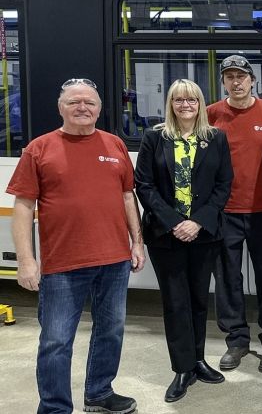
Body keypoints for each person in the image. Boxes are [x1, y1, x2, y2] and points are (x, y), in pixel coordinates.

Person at [8, 78, 146, 414]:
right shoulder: (39, 149)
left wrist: (137, 241)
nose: (82, 108)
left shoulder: (115, 146)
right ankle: (55, 408)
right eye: (74, 102)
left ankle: (99, 394)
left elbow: (128, 196)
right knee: (56, 342)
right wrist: (26, 261)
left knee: (110, 331)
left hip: (114, 260)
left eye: (89, 103)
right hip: (62, 265)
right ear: (61, 108)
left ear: (99, 109)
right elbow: (23, 207)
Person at [134, 79, 233, 403]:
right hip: (166, 235)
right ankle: (182, 368)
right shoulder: (155, 137)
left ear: (200, 103)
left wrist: (198, 222)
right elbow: (144, 185)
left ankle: (199, 360)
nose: (186, 105)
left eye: (191, 99)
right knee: (176, 302)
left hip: (204, 234)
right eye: (179, 100)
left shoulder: (215, 138)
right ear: (171, 104)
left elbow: (224, 184)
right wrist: (176, 222)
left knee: (199, 300)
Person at [208, 55, 262, 372]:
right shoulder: (212, 114)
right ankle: (237, 340)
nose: (236, 82)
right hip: (224, 212)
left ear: (253, 80)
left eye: (241, 76)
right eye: (230, 77)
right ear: (224, 82)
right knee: (227, 279)